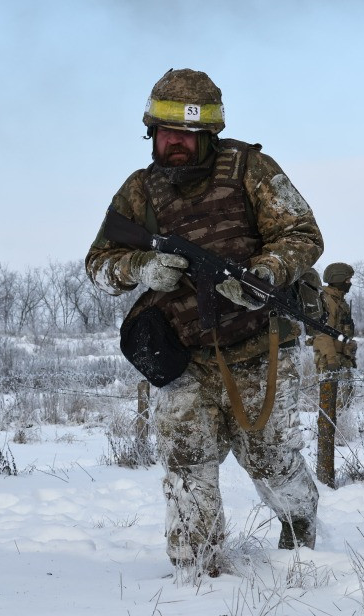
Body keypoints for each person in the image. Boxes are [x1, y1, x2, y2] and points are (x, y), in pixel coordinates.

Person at [86, 68, 323, 573]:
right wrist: (139, 267)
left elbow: (302, 234)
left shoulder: (250, 169)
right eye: (166, 133)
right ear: (151, 132)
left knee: (272, 462)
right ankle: (198, 572)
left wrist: (264, 274)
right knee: (186, 466)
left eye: (188, 136)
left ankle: (302, 536)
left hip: (258, 350)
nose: (175, 144)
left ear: (209, 135)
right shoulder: (139, 191)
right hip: (183, 359)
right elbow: (98, 265)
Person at [308, 263, 357, 408]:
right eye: (347, 280)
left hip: (341, 356)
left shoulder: (339, 300)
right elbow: (323, 332)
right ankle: (330, 430)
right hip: (329, 358)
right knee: (331, 404)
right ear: (339, 280)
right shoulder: (327, 300)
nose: (349, 283)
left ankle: (341, 428)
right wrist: (331, 360)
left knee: (345, 400)